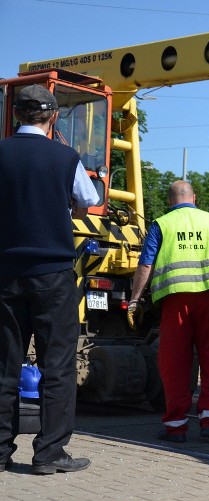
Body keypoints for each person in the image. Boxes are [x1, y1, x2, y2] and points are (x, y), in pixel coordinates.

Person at [0, 84, 100, 475]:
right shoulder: (65, 157)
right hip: (53, 276)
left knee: (4, 365)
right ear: (53, 117)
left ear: (16, 116)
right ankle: (49, 454)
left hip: (6, 275)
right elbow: (88, 199)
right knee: (56, 365)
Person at [128, 180, 209, 443]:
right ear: (194, 198)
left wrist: (134, 300)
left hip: (175, 304)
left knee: (174, 365)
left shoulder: (161, 225)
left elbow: (145, 267)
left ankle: (176, 427)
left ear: (169, 201)